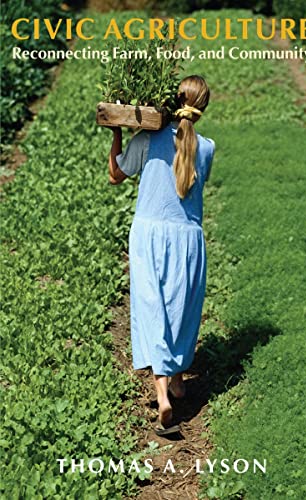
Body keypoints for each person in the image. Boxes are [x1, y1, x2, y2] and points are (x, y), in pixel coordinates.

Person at [108, 75, 215, 436]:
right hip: (187, 236)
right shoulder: (207, 148)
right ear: (202, 108)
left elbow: (115, 175)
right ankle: (179, 379)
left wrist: (117, 134)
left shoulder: (148, 138)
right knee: (180, 305)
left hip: (150, 234)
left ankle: (162, 395)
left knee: (152, 305)